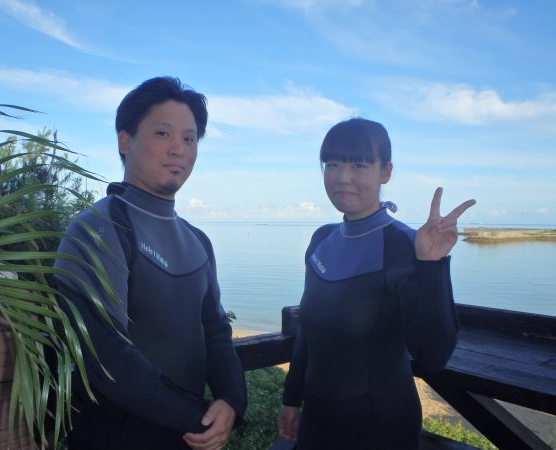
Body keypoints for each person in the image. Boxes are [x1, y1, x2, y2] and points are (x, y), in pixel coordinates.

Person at [54, 76, 247, 450]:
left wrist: (231, 401)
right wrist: (201, 417)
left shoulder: (198, 241)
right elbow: (106, 357)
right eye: (162, 133)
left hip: (186, 437)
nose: (179, 149)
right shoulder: (98, 228)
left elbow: (216, 333)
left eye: (189, 139)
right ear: (125, 141)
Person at [277, 118, 476, 449]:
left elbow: (433, 356)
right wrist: (291, 398)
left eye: (358, 165)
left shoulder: (406, 245)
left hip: (380, 426)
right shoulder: (322, 240)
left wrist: (432, 265)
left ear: (385, 172)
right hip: (317, 423)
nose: (343, 177)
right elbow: (309, 334)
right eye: (333, 164)